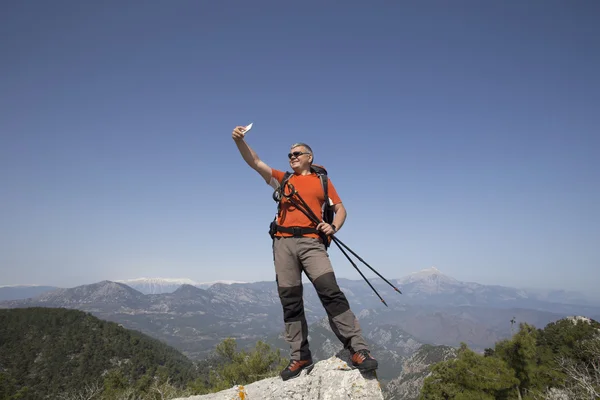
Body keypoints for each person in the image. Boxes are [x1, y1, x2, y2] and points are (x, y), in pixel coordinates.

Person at [232, 125, 378, 381]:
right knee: (290, 302)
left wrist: (332, 226)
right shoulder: (284, 178)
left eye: (297, 153)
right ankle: (300, 356)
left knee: (331, 293)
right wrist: (239, 141)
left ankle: (358, 349)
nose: (292, 157)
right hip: (283, 243)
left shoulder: (322, 181)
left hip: (312, 243)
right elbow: (254, 161)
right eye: (289, 155)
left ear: (309, 156)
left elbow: (341, 209)